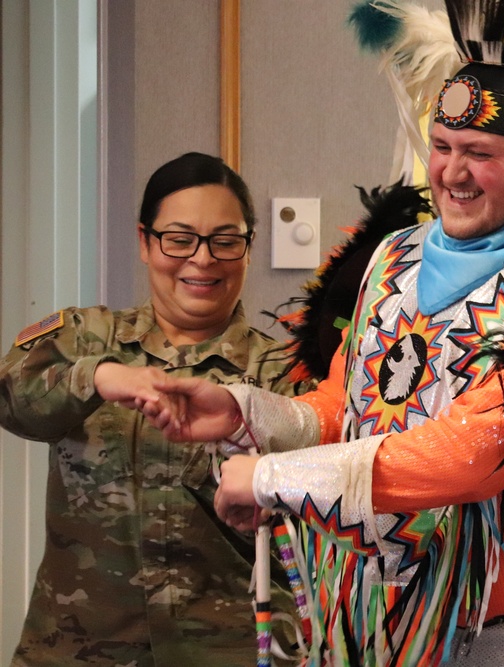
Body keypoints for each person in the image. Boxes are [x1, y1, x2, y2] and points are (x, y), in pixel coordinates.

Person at [141, 2, 504, 665]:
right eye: (444, 147)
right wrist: (253, 412)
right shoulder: (397, 255)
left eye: (480, 154)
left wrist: (275, 477)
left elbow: (474, 453)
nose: (452, 174)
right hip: (408, 637)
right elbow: (351, 404)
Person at [0, 152, 304, 666]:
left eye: (225, 241)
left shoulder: (286, 373)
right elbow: (12, 396)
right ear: (144, 242)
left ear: (249, 248)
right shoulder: (86, 336)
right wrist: (97, 377)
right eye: (179, 239)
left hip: (233, 650)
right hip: (78, 650)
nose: (202, 260)